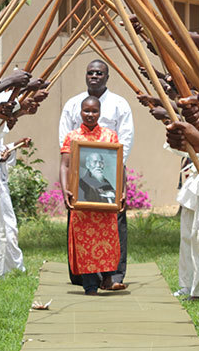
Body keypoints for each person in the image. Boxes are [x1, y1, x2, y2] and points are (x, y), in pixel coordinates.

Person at [59, 59, 133, 289]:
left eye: (99, 73)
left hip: (109, 178)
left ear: (106, 77)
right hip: (80, 181)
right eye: (90, 72)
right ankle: (82, 275)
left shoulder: (120, 105)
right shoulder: (72, 104)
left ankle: (114, 276)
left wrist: (114, 176)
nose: (94, 76)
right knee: (79, 226)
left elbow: (125, 141)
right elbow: (66, 144)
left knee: (113, 226)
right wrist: (70, 183)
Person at [60, 96, 122, 295]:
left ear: (100, 112)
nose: (90, 115)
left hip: (105, 203)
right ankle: (90, 285)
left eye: (94, 111)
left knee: (107, 240)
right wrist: (65, 189)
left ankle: (107, 278)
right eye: (86, 111)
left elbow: (118, 166)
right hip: (81, 201)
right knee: (85, 243)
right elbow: (65, 165)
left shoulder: (110, 136)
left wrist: (122, 192)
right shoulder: (72, 136)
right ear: (80, 112)